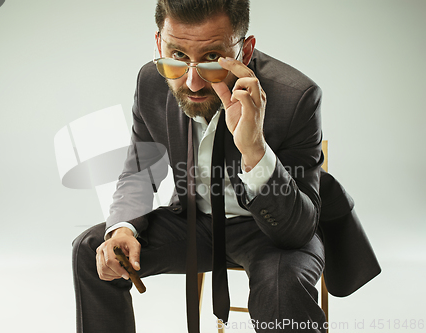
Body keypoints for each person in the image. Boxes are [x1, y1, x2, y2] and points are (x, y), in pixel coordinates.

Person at [72, 1, 380, 332]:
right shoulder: (152, 80)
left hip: (273, 230)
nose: (192, 83)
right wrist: (123, 229)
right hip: (196, 222)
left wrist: (255, 150)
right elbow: (139, 169)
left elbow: (296, 231)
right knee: (96, 252)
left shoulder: (296, 96)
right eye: (177, 56)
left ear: (245, 51)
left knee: (281, 289)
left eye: (211, 61)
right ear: (159, 43)